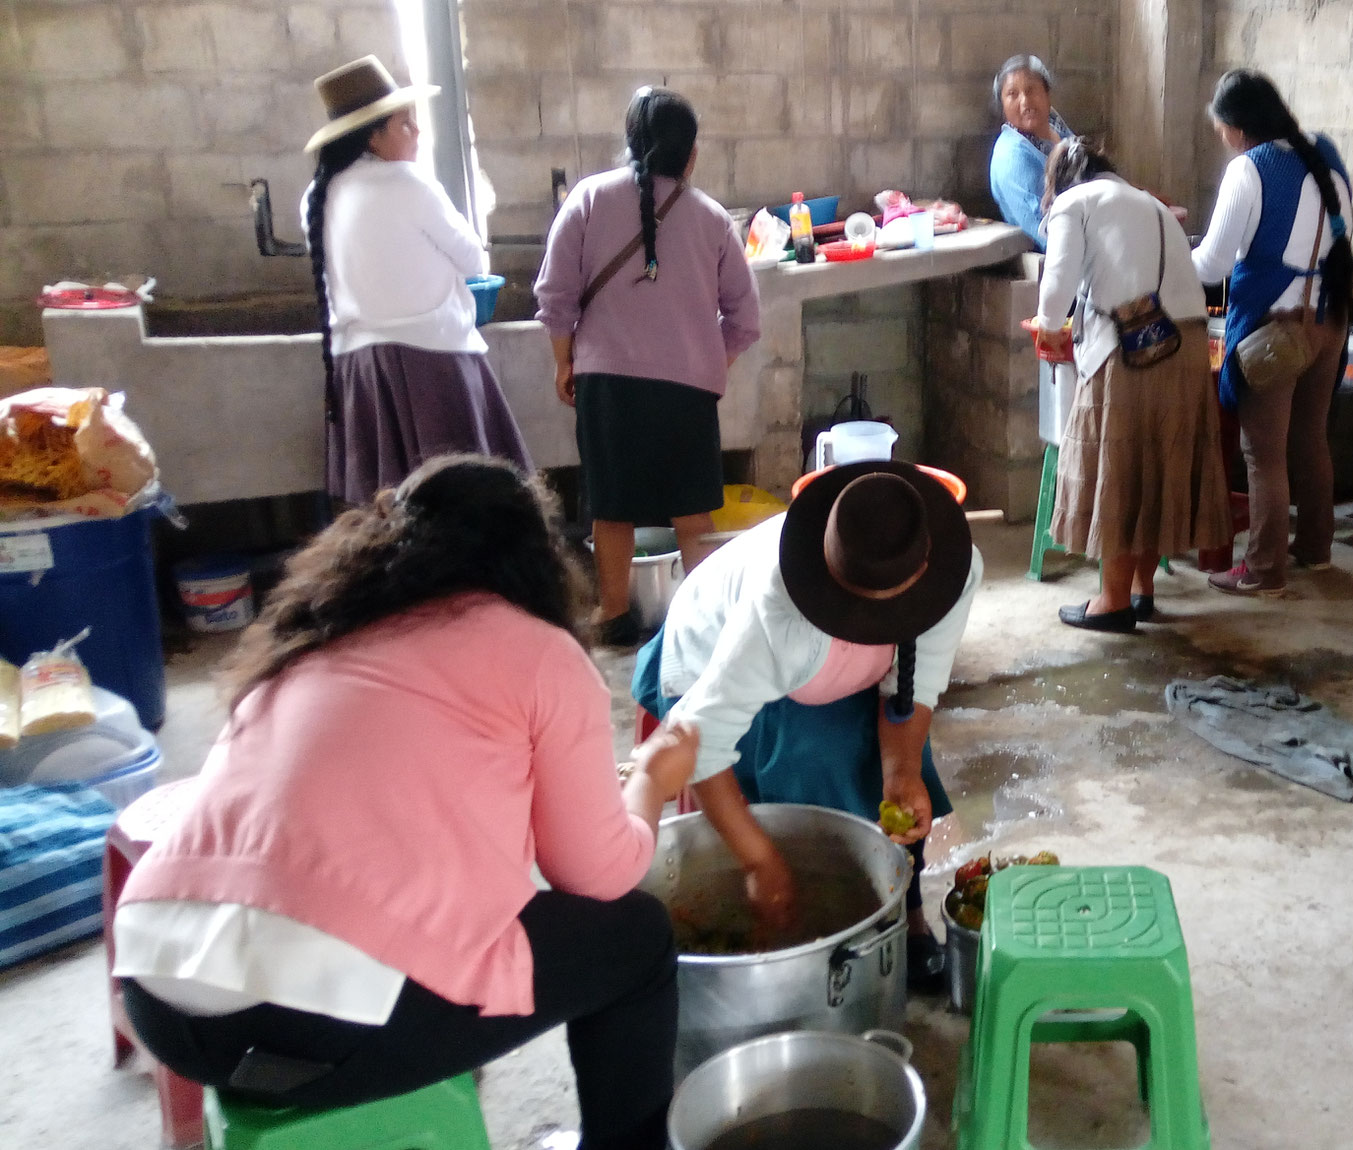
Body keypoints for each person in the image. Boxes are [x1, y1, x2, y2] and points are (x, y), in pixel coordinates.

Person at [113, 456, 693, 1150]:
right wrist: (652, 781)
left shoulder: (312, 639)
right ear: (536, 560)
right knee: (635, 939)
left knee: (454, 912)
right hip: (308, 1028)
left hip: (158, 998)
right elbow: (595, 875)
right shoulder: (540, 652)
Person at [634, 461, 982, 991]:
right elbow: (702, 742)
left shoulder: (952, 574)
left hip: (829, 664)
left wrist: (901, 772)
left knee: (890, 781)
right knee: (810, 766)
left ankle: (901, 922)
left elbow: (912, 690)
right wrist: (760, 862)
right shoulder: (781, 618)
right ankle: (805, 950)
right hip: (720, 667)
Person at [536, 87, 762, 647]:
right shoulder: (712, 220)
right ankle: (706, 624)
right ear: (690, 152)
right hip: (686, 389)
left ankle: (614, 612)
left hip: (606, 384)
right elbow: (745, 317)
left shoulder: (588, 199)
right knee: (693, 512)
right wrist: (715, 360)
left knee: (611, 510)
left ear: (631, 144)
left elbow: (555, 295)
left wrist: (564, 363)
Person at [302, 56, 531, 505]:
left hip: (359, 370)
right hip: (432, 363)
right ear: (374, 135)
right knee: (462, 504)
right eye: (405, 124)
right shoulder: (407, 183)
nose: (417, 133)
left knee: (388, 511)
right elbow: (472, 261)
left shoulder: (319, 194)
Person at [1028, 138, 1233, 632]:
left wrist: (1045, 324)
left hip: (1132, 348)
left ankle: (1112, 602)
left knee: (1121, 471)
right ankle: (1142, 591)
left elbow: (1055, 289)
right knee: (1158, 468)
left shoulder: (1073, 204)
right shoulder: (1151, 204)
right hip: (1186, 349)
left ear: (1061, 183)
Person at [1191, 70, 1353, 597]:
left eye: (1221, 130)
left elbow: (1212, 264)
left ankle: (1264, 571)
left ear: (1238, 129)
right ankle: (1315, 549)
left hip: (1275, 334)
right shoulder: (1323, 153)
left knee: (1263, 454)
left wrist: (1169, 249)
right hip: (1329, 320)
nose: (1223, 140)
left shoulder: (1249, 169)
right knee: (1311, 438)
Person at [987, 54, 1075, 249]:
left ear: (1047, 93)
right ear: (1002, 105)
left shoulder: (1055, 126)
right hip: (1067, 254)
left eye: (1031, 90)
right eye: (1012, 94)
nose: (1025, 101)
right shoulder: (1011, 157)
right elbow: (1047, 229)